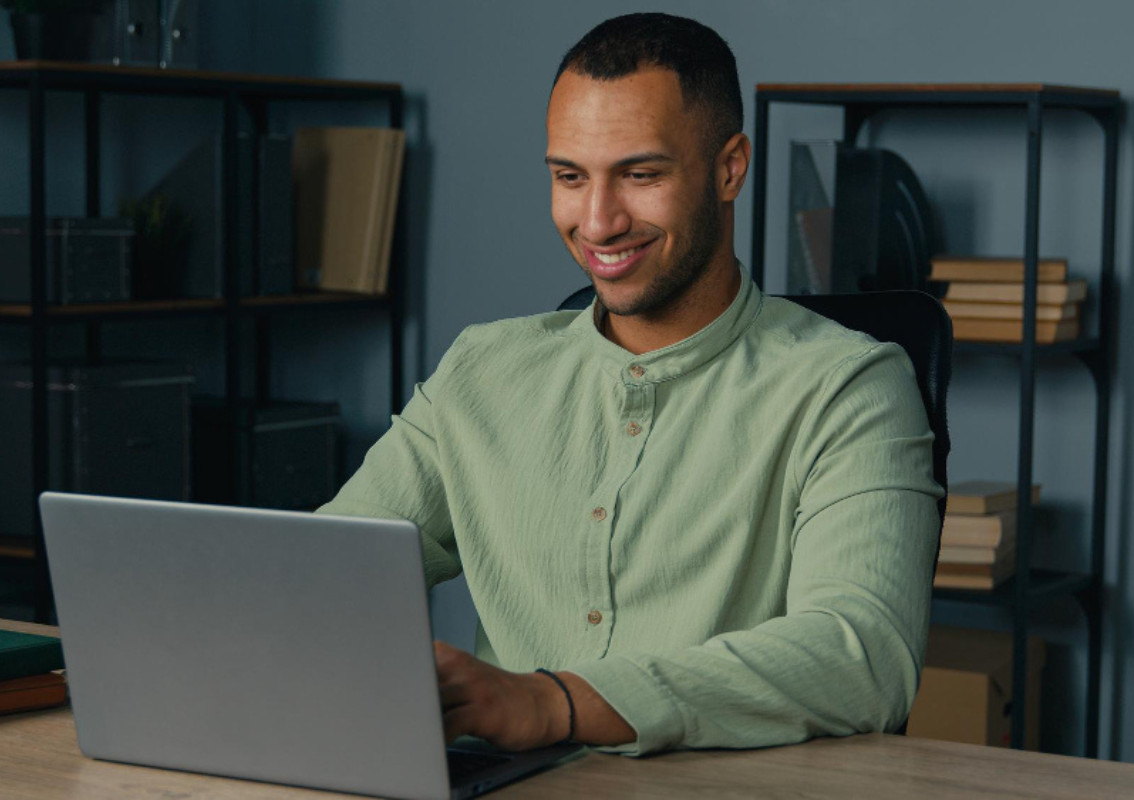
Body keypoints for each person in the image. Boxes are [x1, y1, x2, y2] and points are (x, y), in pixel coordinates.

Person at [316, 12, 942, 756]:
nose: (598, 221)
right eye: (569, 177)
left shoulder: (851, 388)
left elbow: (861, 656)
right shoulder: (480, 371)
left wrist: (554, 703)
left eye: (640, 175)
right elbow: (329, 570)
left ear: (729, 167)